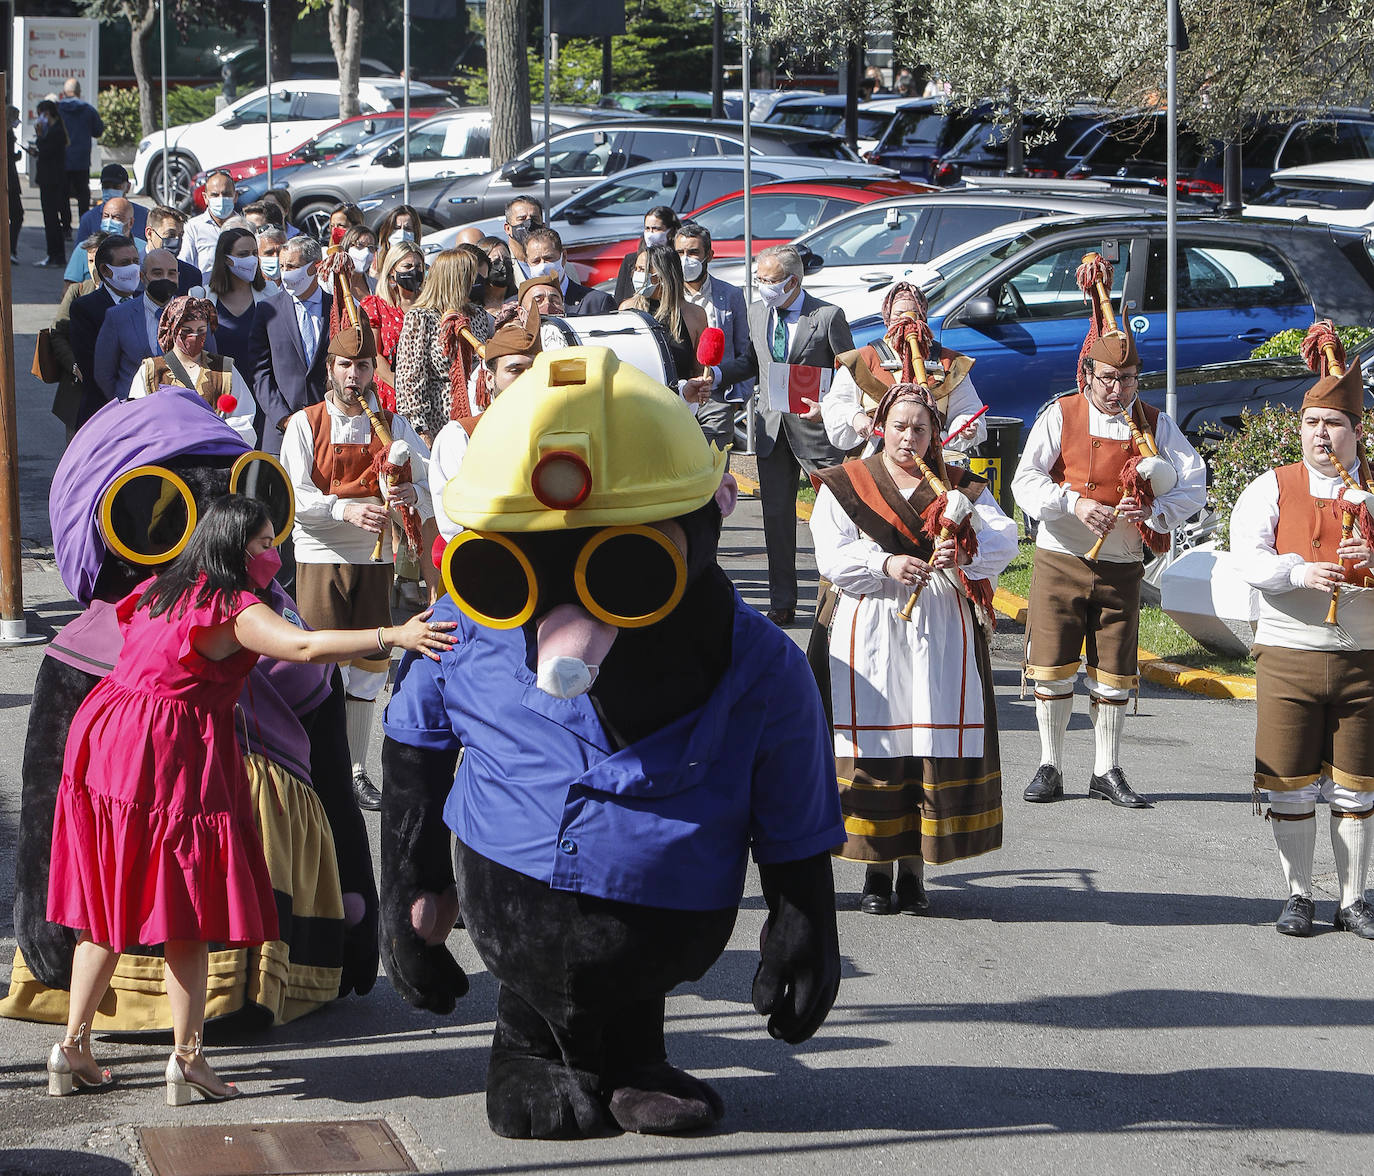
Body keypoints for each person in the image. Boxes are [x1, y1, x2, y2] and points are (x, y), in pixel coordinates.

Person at [43, 493, 452, 1103]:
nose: (274, 554)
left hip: (106, 739)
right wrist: (394, 633)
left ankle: (70, 1048)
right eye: (264, 545)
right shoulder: (233, 607)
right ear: (236, 548)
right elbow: (305, 649)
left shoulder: (167, 586)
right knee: (184, 906)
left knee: (110, 897)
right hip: (166, 749)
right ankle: (188, 1061)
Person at [809, 381, 1015, 914]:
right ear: (881, 426)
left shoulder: (960, 484)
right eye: (899, 426)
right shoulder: (847, 482)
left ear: (935, 434)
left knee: (926, 738)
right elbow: (830, 556)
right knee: (878, 742)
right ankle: (876, 872)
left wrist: (962, 550)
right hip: (872, 621)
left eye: (920, 429)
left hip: (939, 625)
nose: (909, 437)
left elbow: (1003, 538)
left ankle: (913, 872)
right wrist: (884, 564)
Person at [1011, 315, 1205, 809]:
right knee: (1053, 668)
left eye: (1128, 379)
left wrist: (1153, 511)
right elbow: (1024, 481)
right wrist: (1072, 503)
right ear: (1088, 375)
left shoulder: (1155, 424)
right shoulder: (1061, 414)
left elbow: (1194, 484)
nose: (1117, 389)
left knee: (1113, 672)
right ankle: (1050, 765)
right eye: (1107, 378)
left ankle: (1106, 769)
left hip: (1120, 563)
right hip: (1061, 557)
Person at [1230, 360, 1374, 939]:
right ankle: (1297, 895)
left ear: (1358, 431)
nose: (1321, 433)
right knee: (1288, 781)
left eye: (1334, 423)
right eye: (1312, 421)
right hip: (1289, 652)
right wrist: (1297, 572)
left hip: (1363, 655)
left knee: (1357, 783)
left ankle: (1354, 899)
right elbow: (1248, 560)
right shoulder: (1272, 486)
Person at [279, 314, 435, 810]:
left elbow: (433, 481)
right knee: (321, 665)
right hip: (320, 556)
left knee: (369, 667)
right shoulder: (304, 423)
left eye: (363, 366)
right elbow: (292, 496)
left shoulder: (393, 424)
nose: (354, 376)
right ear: (330, 368)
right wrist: (342, 507)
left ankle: (355, 771)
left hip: (376, 559)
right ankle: (310, 768)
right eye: (345, 365)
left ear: (373, 370)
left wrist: (413, 492)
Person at [746, 243, 855, 626]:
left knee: (836, 517)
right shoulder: (757, 312)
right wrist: (718, 376)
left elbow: (849, 372)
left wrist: (832, 408)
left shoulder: (826, 317)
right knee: (776, 517)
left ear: (794, 281)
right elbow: (750, 360)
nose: (763, 287)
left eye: (771, 281)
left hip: (816, 430)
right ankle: (783, 601)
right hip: (771, 429)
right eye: (759, 279)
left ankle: (838, 595)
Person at [824, 282, 987, 459]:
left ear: (923, 318)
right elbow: (837, 403)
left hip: (932, 456)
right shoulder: (862, 360)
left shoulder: (949, 363)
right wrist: (855, 417)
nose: (906, 321)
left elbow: (967, 408)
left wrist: (964, 425)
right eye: (899, 314)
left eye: (914, 314)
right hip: (873, 458)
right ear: (887, 318)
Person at [428, 311, 541, 540]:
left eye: (535, 369)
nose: (528, 378)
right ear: (489, 379)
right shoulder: (459, 436)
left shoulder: (560, 430)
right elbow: (455, 524)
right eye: (515, 370)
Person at [126, 294, 258, 444]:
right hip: (168, 459)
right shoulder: (151, 371)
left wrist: (213, 433)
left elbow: (244, 420)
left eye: (201, 330)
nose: (194, 336)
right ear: (172, 329)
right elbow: (138, 423)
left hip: (215, 457)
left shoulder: (224, 370)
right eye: (187, 330)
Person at [394, 248, 492, 447]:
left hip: (478, 413)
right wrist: (421, 430)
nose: (475, 281)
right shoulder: (421, 317)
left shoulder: (478, 315)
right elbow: (409, 379)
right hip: (440, 419)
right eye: (469, 275)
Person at [249, 235, 333, 455]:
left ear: (315, 268)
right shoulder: (268, 310)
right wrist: (284, 417)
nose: (285, 273)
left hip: (327, 430)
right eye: (283, 266)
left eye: (293, 266)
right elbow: (260, 372)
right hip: (280, 434)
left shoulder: (336, 308)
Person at [675, 222, 752, 451]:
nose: (686, 259)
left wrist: (738, 399)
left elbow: (744, 351)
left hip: (717, 397)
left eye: (693, 252)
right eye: (680, 253)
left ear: (709, 255)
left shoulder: (731, 295)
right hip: (677, 395)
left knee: (715, 464)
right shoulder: (668, 297)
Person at [619, 245, 713, 405]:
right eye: (636, 269)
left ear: (664, 276)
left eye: (643, 270)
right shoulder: (627, 309)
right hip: (636, 406)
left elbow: (699, 370)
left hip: (678, 408)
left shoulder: (695, 315)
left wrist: (702, 384)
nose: (637, 275)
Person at [69, 235, 143, 425]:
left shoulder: (147, 301)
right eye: (125, 263)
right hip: (102, 411)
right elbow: (92, 366)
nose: (133, 267)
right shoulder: (85, 307)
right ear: (105, 269)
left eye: (136, 261)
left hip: (146, 410)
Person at [92, 249, 181, 404]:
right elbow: (103, 373)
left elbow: (208, 364)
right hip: (134, 409)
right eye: (157, 273)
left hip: (181, 408)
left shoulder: (194, 314)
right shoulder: (118, 316)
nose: (165, 279)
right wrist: (122, 403)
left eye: (172, 273)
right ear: (142, 276)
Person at [49, 232, 105, 439]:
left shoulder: (128, 294)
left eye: (97, 259)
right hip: (77, 390)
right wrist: (74, 365)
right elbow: (58, 334)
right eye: (89, 260)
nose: (93, 266)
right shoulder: (77, 291)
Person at [360, 240, 425, 412]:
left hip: (426, 390)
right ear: (392, 272)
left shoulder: (430, 304)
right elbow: (374, 354)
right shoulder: (376, 306)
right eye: (407, 266)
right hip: (391, 391)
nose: (414, 271)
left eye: (418, 267)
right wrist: (401, 387)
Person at [204, 226, 269, 376]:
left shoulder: (270, 292)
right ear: (226, 259)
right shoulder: (204, 296)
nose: (251, 260)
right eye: (243, 254)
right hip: (221, 387)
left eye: (254, 253)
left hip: (260, 386)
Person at [523, 227, 614, 316]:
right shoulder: (518, 304)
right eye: (536, 261)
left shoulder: (597, 303)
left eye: (548, 259)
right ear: (527, 262)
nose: (542, 267)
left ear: (564, 257)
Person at [63, 195, 141, 289]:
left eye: (116, 217)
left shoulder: (143, 249)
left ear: (131, 222)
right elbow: (69, 288)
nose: (109, 222)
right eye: (106, 216)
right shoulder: (85, 248)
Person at [58, 79, 102, 236]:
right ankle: (84, 228)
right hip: (82, 160)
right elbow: (98, 131)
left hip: (62, 159)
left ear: (64, 93)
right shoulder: (88, 110)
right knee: (83, 195)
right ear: (79, 92)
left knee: (62, 195)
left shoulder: (58, 109)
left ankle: (66, 228)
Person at [613, 206, 681, 305]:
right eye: (647, 228)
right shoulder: (631, 260)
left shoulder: (677, 260)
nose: (650, 233)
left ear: (670, 231)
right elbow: (620, 297)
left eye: (656, 229)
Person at [33, 99, 70, 269]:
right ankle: (54, 254)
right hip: (51, 179)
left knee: (51, 219)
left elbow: (47, 150)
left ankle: (55, 255)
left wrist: (40, 136)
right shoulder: (55, 130)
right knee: (51, 219)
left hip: (52, 181)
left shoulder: (55, 132)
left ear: (46, 113)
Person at [181, 170, 240, 274]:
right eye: (215, 195)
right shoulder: (193, 227)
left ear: (235, 196)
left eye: (226, 194)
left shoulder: (246, 227)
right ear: (205, 198)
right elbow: (185, 265)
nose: (221, 199)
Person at [75, 165, 148, 244]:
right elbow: (81, 251)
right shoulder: (89, 219)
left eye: (116, 187)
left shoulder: (144, 215)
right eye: (106, 186)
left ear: (128, 187)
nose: (110, 190)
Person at [144, 205, 202, 293]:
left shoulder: (191, 275)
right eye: (170, 235)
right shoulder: (133, 268)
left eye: (180, 235)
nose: (177, 240)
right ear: (149, 233)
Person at [375, 205, 423, 278]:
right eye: (396, 228)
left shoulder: (421, 268)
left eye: (408, 229)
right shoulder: (375, 265)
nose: (402, 233)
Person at [502, 196, 543, 274]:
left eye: (534, 219)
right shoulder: (501, 267)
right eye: (522, 219)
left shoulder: (561, 267)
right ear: (508, 228)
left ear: (543, 226)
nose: (529, 224)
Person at [478, 236, 516, 313]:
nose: (503, 265)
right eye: (496, 261)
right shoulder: (475, 306)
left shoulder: (521, 300)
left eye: (507, 259)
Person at [339, 224, 378, 301]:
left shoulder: (375, 285)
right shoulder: (332, 282)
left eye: (371, 248)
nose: (366, 253)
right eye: (360, 245)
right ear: (347, 246)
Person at [6, 106, 22, 262]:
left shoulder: (8, 133)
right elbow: (8, 158)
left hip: (9, 180)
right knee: (17, 215)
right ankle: (10, 249)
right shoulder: (8, 134)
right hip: (9, 182)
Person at [257, 226, 287, 291]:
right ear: (257, 254)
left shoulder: (296, 286)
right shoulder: (250, 289)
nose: (276, 257)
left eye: (280, 252)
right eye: (269, 253)